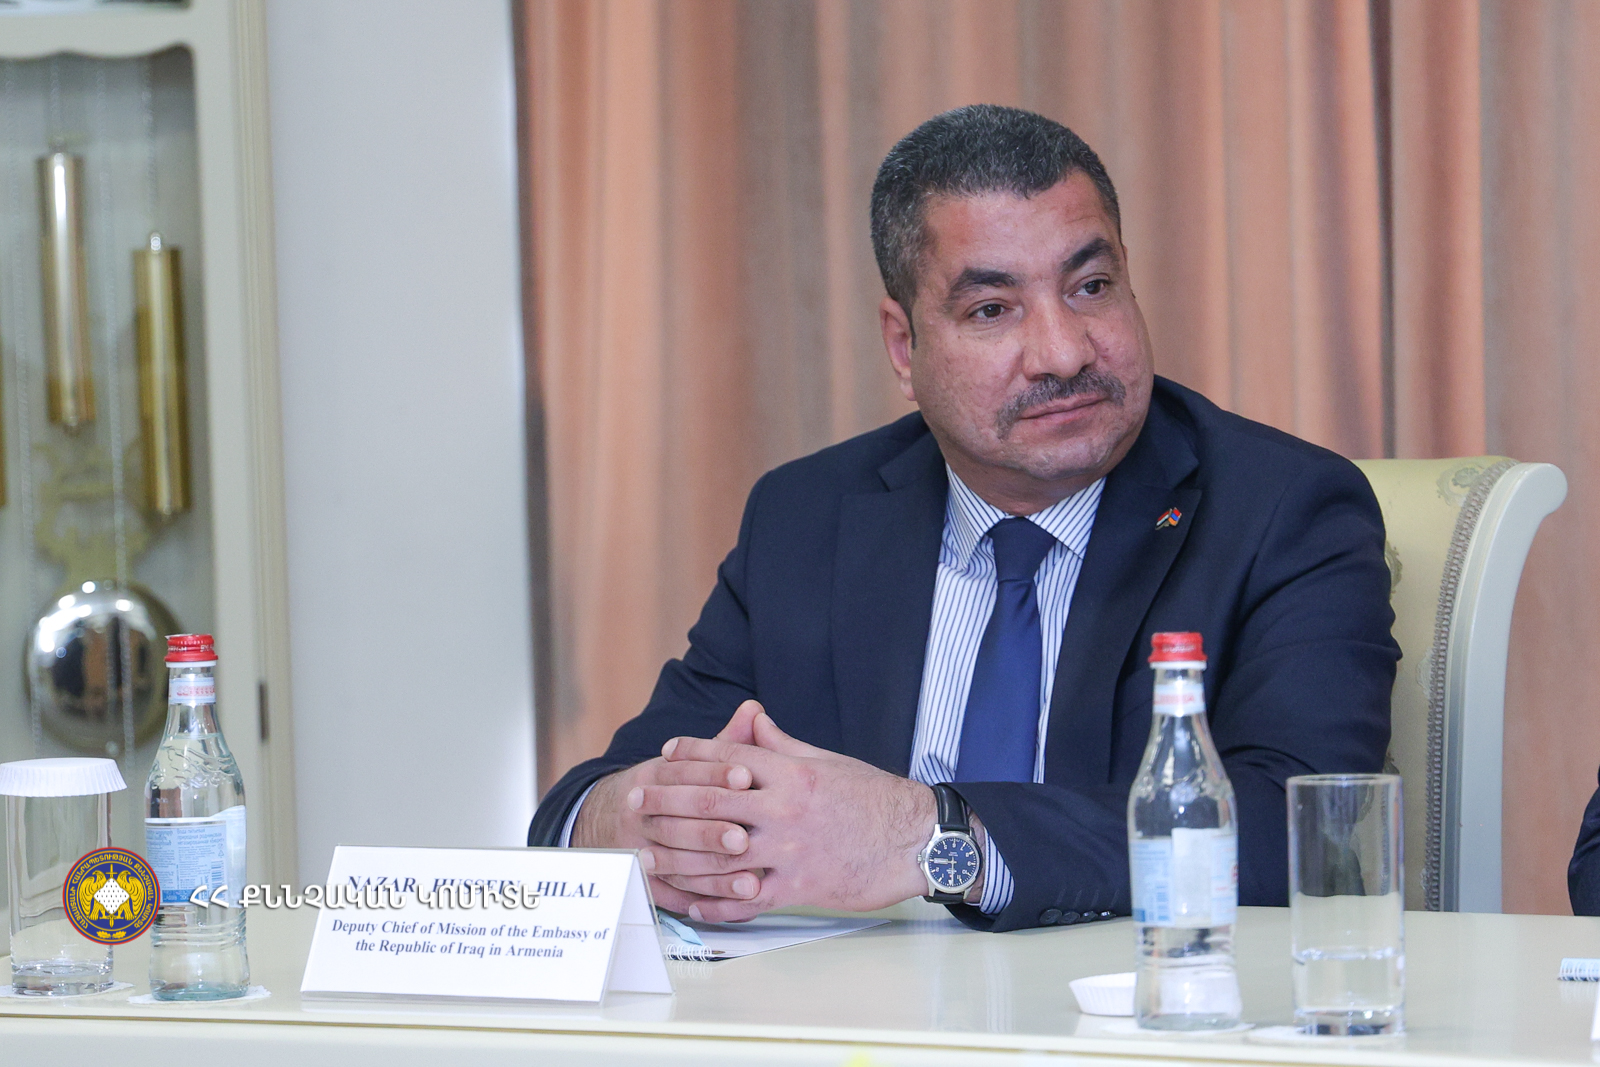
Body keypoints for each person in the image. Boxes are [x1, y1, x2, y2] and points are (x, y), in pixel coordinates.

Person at [528, 104, 1399, 932]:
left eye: (1092, 286)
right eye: (992, 310)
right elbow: (609, 789)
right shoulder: (806, 521)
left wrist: (932, 837)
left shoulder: (1284, 511)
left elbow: (1305, 834)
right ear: (903, 347)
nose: (1063, 352)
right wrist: (632, 821)